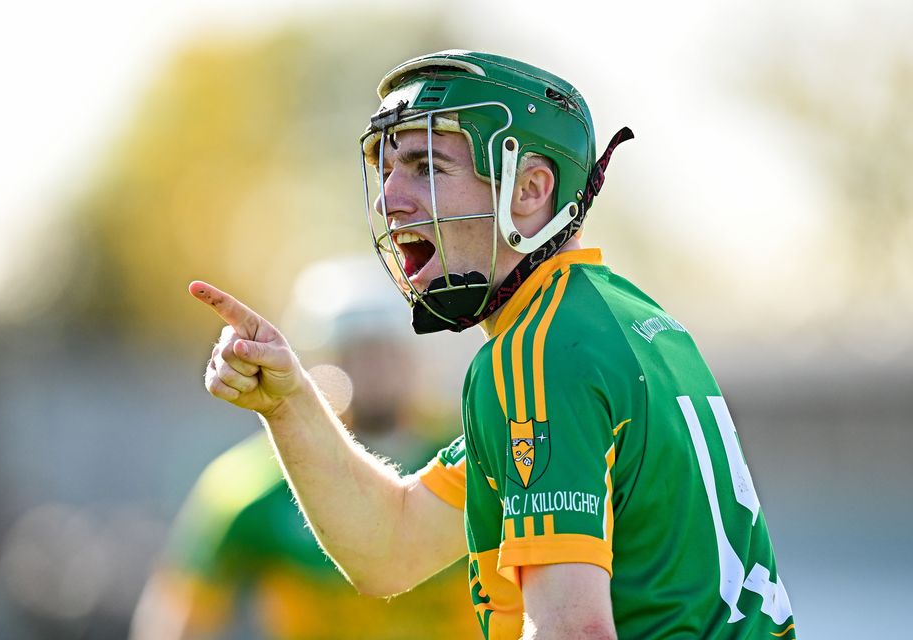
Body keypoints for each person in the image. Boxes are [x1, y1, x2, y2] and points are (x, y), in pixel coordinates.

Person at [191, 50, 795, 639]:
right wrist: (289, 401)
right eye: (389, 169)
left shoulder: (542, 350)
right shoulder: (629, 320)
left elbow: (572, 630)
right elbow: (391, 548)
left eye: (428, 167)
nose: (388, 200)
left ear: (530, 190)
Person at [132, 258, 479, 639]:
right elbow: (178, 619)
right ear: (319, 359)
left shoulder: (479, 459)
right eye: (355, 354)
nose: (374, 371)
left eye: (385, 352)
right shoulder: (250, 485)